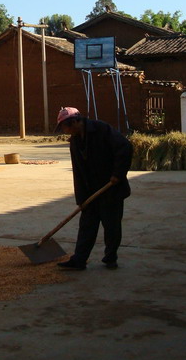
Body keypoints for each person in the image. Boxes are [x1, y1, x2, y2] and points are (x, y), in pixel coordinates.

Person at [54, 106, 132, 270]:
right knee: (87, 226)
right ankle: (79, 260)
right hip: (90, 190)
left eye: (66, 127)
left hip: (110, 188)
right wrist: (81, 199)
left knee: (111, 226)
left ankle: (110, 258)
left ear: (75, 121)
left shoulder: (101, 129)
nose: (66, 131)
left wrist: (118, 174)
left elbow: (125, 147)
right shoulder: (75, 142)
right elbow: (78, 172)